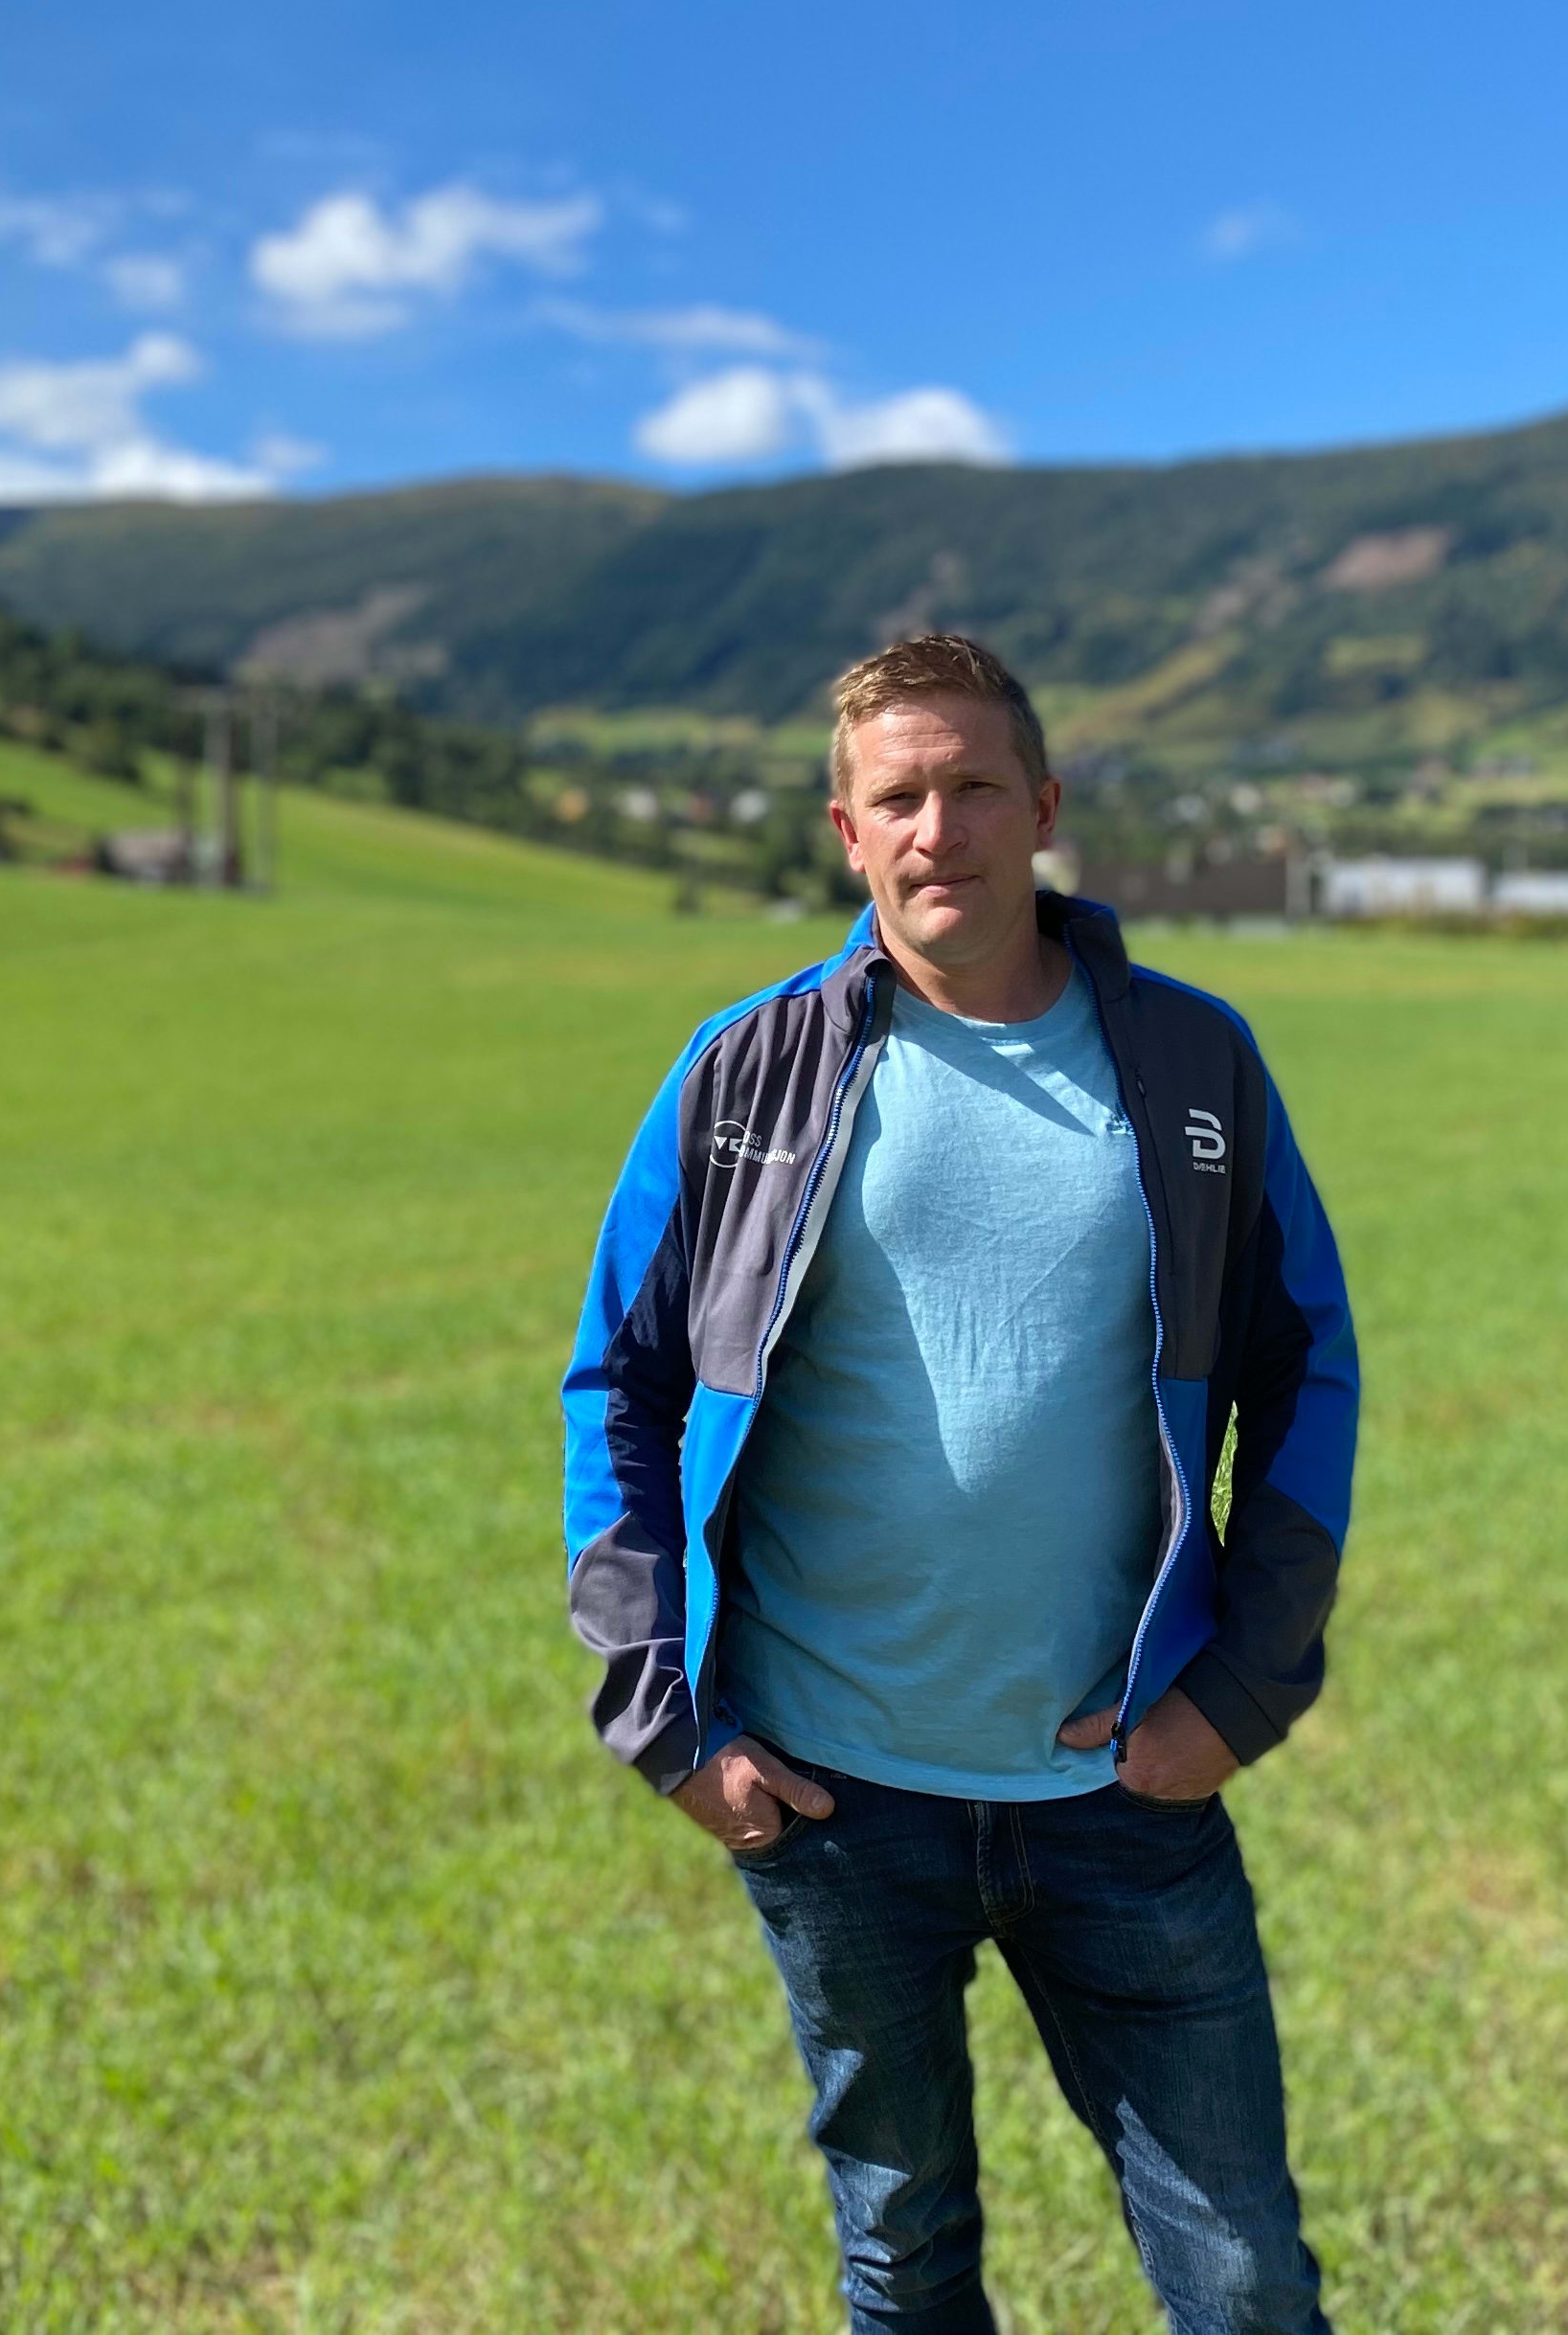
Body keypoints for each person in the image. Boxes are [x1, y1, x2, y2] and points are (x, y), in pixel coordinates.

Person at [561, 633, 1359, 2335]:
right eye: (900, 797)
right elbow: (618, 1389)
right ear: (846, 833)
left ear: (1044, 807)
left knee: (1242, 2278)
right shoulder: (746, 1073)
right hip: (836, 1798)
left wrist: (1239, 1691)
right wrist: (668, 1725)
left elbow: (1307, 1371)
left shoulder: (1195, 1063)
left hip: (1123, 1789)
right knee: (904, 2259)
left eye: (976, 787)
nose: (941, 830)